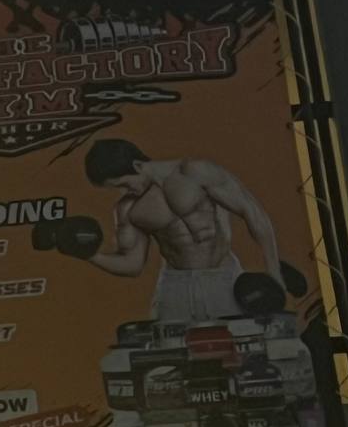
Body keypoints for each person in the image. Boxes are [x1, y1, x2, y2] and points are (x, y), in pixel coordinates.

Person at [74, 137, 286, 324]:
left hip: (223, 278)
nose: (124, 192)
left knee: (241, 344)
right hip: (174, 286)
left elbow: (252, 212)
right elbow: (132, 265)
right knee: (171, 351)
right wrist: (89, 255)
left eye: (124, 184)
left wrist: (274, 272)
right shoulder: (129, 208)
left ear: (137, 166)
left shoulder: (197, 172)